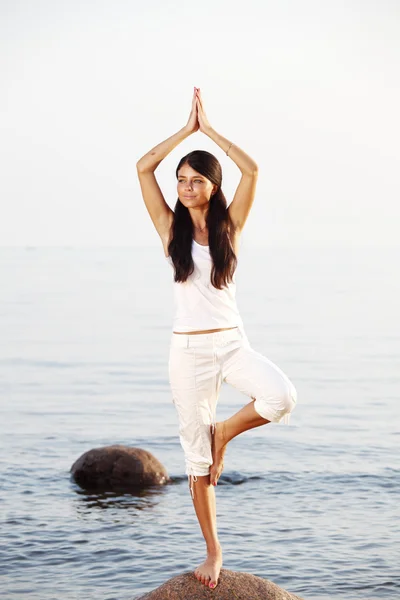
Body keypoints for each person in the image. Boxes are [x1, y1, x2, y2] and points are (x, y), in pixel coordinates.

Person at [136, 87, 298, 590]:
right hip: (187, 353)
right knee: (196, 460)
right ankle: (213, 550)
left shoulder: (231, 227)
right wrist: (185, 132)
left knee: (282, 397)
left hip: (231, 343)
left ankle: (225, 430)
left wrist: (211, 133)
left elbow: (252, 171)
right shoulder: (169, 229)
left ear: (212, 185)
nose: (185, 187)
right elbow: (144, 168)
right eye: (181, 180)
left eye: (195, 180)